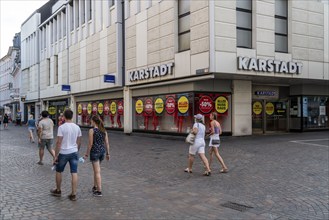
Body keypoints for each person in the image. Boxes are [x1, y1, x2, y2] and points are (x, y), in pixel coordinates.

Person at [50, 109, 82, 201]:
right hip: (74, 152)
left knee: (59, 171)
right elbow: (79, 141)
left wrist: (56, 155)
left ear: (64, 116)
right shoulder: (77, 127)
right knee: (74, 172)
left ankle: (58, 190)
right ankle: (73, 194)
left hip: (64, 152)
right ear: (72, 116)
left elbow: (59, 142)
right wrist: (77, 150)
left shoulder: (61, 127)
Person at [83, 115, 110, 197]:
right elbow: (107, 143)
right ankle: (95, 186)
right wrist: (108, 153)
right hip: (102, 152)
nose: (90, 122)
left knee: (97, 172)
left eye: (91, 121)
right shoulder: (104, 130)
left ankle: (99, 191)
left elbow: (90, 144)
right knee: (96, 170)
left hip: (95, 152)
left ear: (94, 121)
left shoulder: (92, 130)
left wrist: (86, 154)